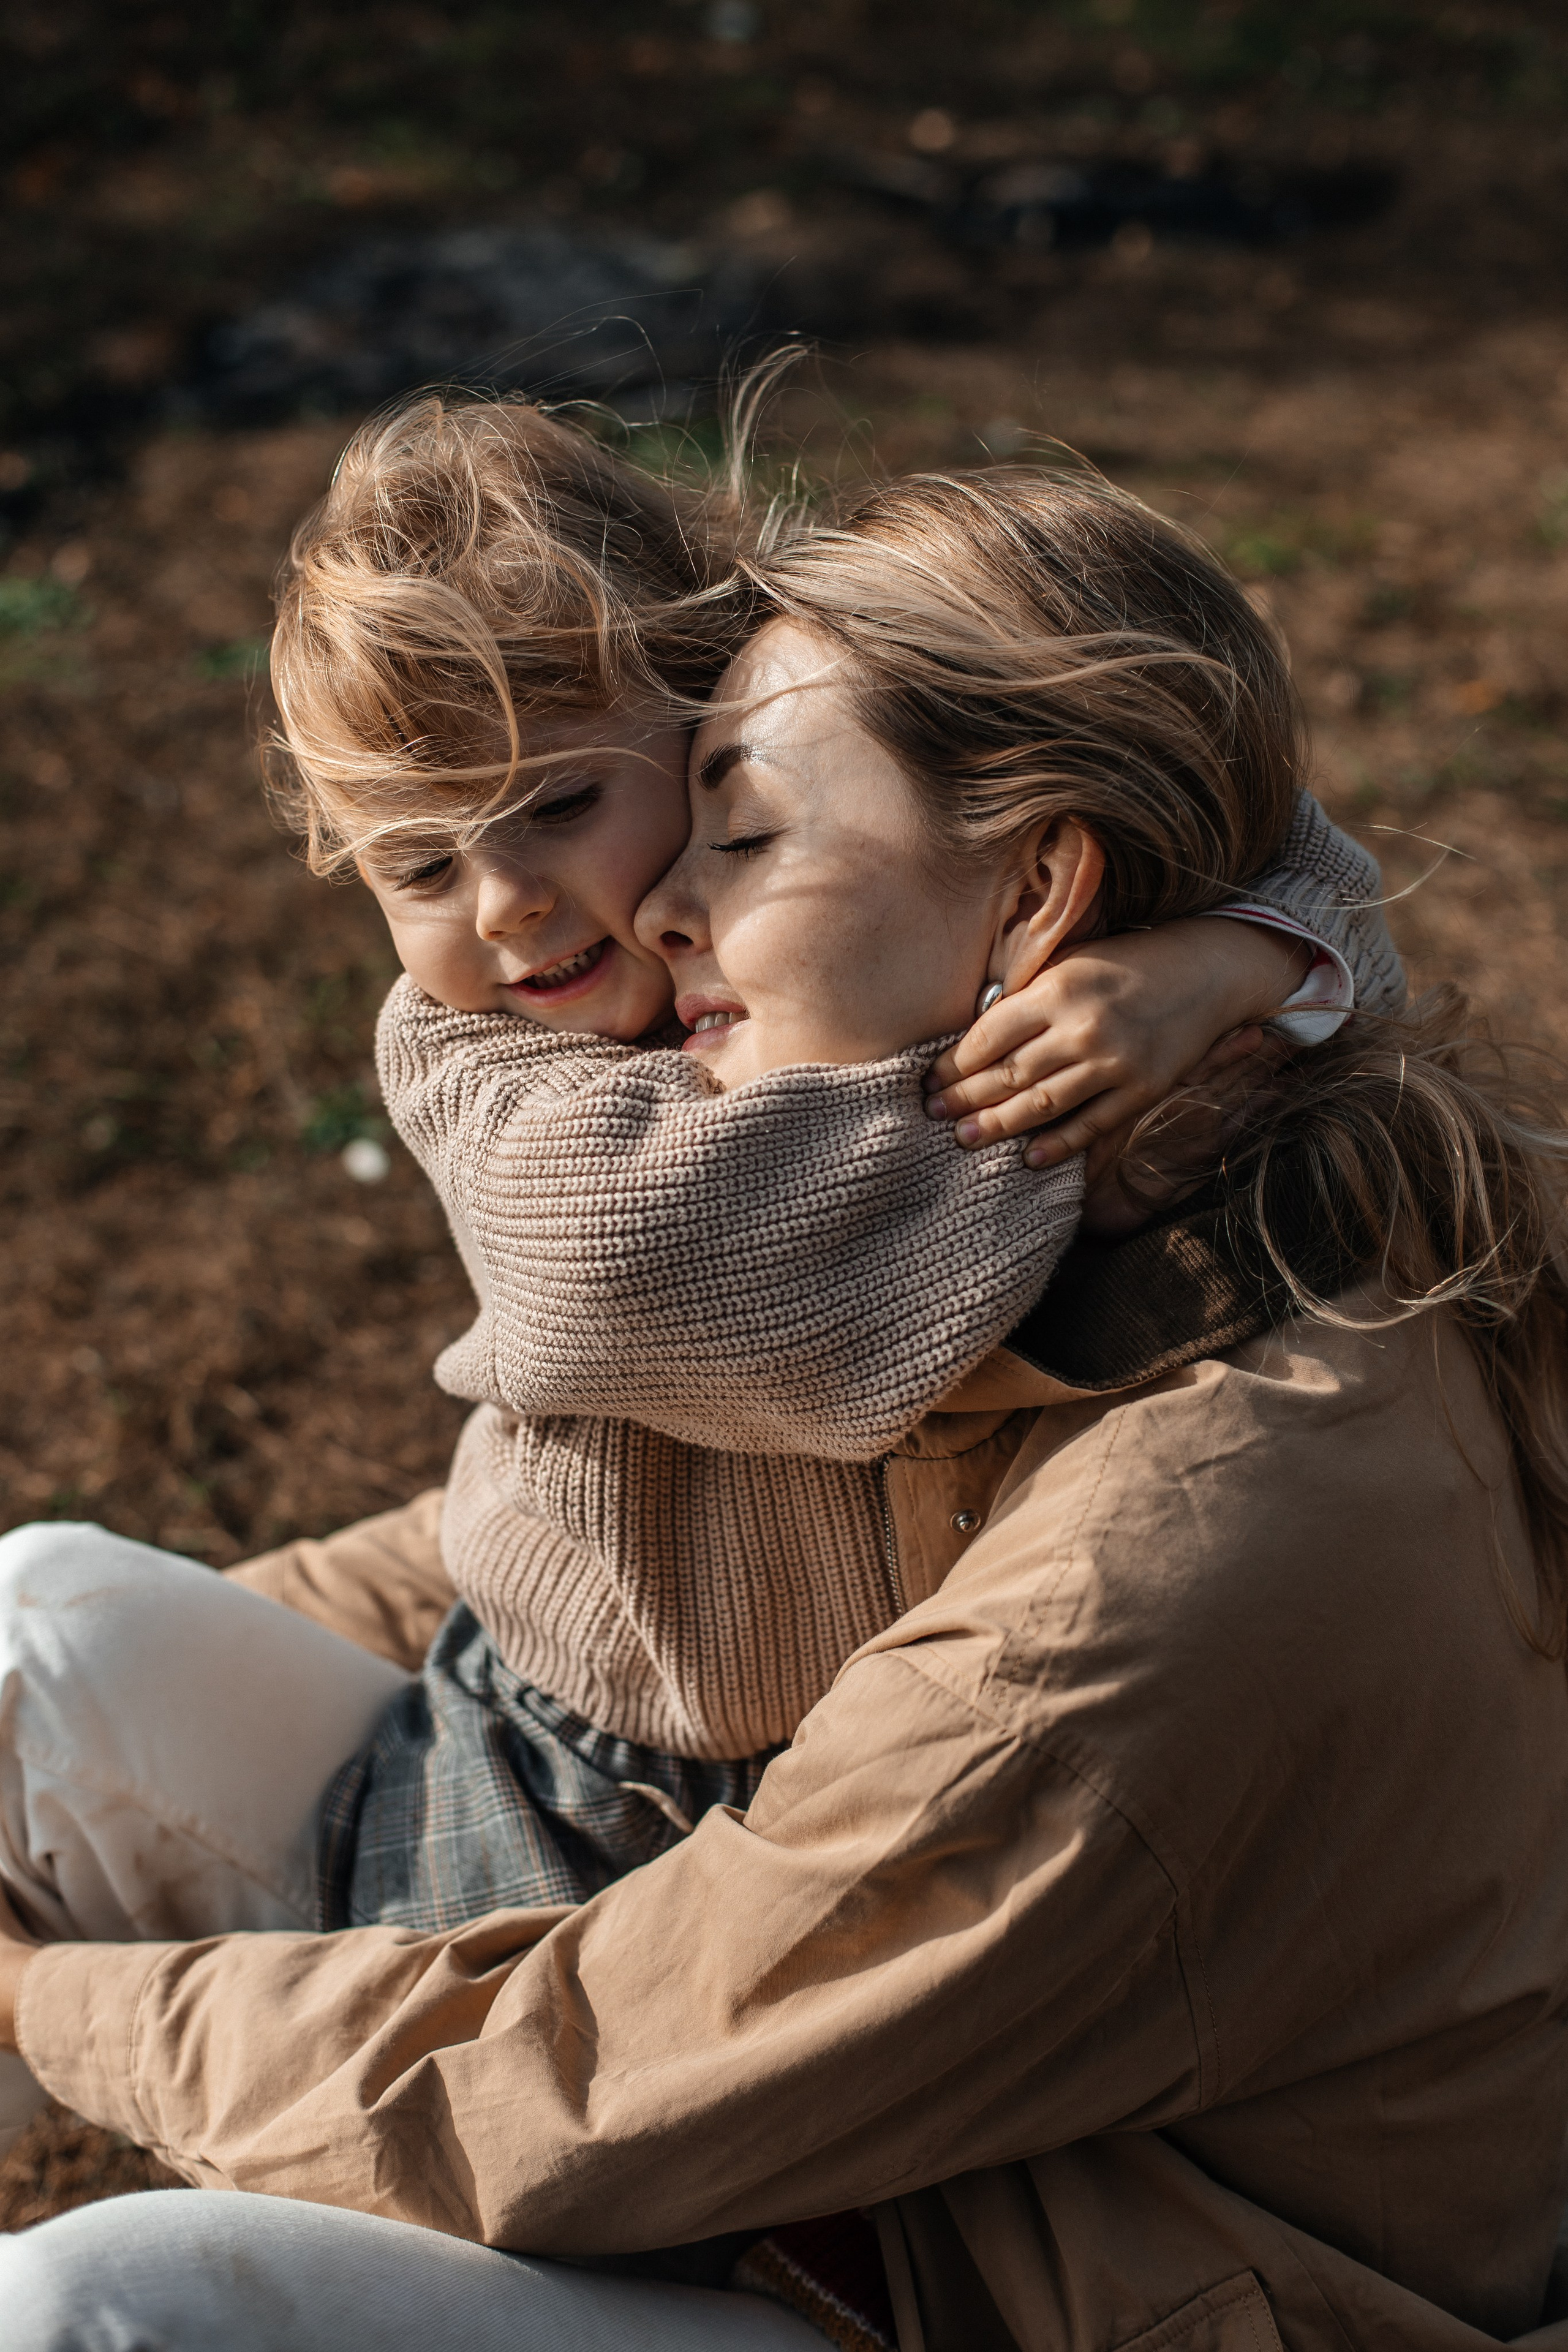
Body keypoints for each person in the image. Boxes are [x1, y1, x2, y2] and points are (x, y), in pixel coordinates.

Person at [6, 462, 1564, 2352]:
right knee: (36, 1639)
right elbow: (613, 1509)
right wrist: (1253, 964)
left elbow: (581, 2085)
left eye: (735, 833)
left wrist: (42, 2002)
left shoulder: (1153, 1548)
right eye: (419, 862)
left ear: (1043, 890)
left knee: (100, 2316)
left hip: (1041, 2265)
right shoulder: (1144, 1163)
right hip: (803, 2016)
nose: (652, 906)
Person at [0, 403, 1386, 1989]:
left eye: (559, 806)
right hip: (581, 1762)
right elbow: (668, 1266)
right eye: (420, 868)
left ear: (711, 701)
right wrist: (1095, 1084)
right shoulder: (474, 1058)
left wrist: (1221, 960)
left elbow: (1277, 835)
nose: (503, 904)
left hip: (885, 1734)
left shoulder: (820, 885)